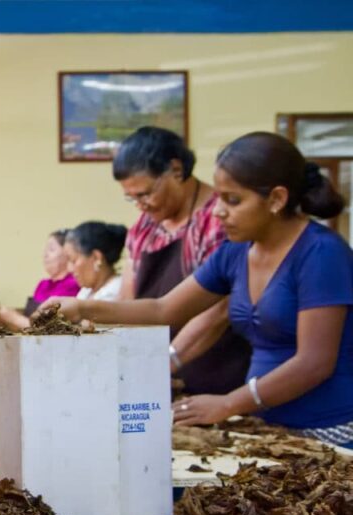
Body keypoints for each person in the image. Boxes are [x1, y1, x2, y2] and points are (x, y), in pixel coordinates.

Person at [42, 132, 352, 447]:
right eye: (218, 197)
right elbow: (163, 308)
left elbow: (315, 362)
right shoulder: (236, 252)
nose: (218, 211)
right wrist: (81, 307)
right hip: (268, 425)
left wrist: (230, 403)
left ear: (276, 199)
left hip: (327, 429)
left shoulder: (321, 253)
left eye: (233, 200)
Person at [114, 126, 251, 394]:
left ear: (176, 170)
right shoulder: (144, 228)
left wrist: (167, 361)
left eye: (145, 194)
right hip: (156, 375)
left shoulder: (220, 219)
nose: (141, 205)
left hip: (217, 375)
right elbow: (127, 303)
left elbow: (220, 309)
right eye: (131, 198)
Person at [0, 229, 79, 329]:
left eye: (51, 249)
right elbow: (30, 319)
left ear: (68, 253)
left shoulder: (73, 284)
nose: (45, 255)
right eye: (45, 250)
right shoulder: (43, 284)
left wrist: (15, 318)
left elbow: (52, 330)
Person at [63, 221, 127, 301]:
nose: (70, 269)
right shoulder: (86, 291)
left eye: (73, 261)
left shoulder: (117, 292)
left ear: (97, 257)